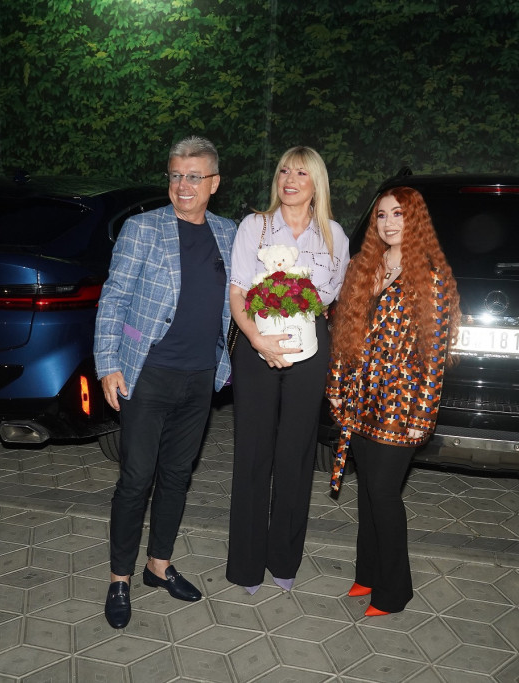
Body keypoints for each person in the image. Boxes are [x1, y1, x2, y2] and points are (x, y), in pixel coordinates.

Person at [94, 136, 236, 629]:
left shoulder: (228, 233)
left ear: (214, 183)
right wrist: (107, 363)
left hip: (201, 376)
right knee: (136, 478)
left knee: (177, 475)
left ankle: (158, 565)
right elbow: (114, 296)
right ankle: (120, 578)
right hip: (147, 372)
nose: (183, 185)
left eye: (194, 176)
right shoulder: (142, 228)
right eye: (175, 175)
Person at [327, 187, 460, 616]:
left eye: (398, 214)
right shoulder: (364, 267)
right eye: (382, 215)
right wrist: (337, 388)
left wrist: (423, 412)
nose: (388, 223)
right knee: (367, 490)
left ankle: (394, 590)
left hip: (400, 403)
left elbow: (433, 356)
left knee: (383, 492)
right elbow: (344, 336)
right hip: (361, 397)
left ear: (415, 219)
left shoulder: (430, 277)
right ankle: (367, 573)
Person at [226, 146, 350, 594]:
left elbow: (331, 298)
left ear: (317, 183)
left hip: (309, 348)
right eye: (283, 171)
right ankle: (245, 565)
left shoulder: (334, 235)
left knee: (296, 455)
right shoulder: (255, 226)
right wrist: (258, 339)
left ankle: (284, 559)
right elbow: (237, 291)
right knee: (252, 453)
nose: (290, 180)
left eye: (301, 173)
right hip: (256, 344)